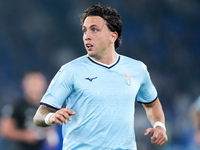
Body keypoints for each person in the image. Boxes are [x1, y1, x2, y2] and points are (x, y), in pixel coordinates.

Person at [33, 4, 168, 150]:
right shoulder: (70, 70)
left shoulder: (137, 69)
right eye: (84, 31)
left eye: (94, 30)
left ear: (113, 36)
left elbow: (152, 104)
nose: (87, 36)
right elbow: (40, 114)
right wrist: (50, 117)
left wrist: (160, 126)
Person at [0, 71, 60, 150]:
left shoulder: (47, 108)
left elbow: (51, 136)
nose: (35, 89)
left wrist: (51, 135)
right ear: (24, 86)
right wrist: (25, 136)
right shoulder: (16, 106)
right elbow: (4, 131)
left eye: (38, 85)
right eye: (33, 85)